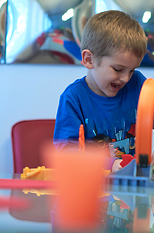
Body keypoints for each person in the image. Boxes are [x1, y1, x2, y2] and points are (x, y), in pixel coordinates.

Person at [53, 10, 149, 172]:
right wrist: (109, 165)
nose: (126, 78)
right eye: (118, 69)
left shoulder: (137, 83)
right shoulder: (73, 98)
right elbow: (66, 152)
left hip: (130, 187)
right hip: (90, 185)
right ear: (89, 60)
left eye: (132, 70)